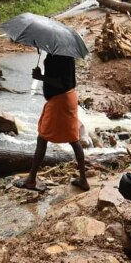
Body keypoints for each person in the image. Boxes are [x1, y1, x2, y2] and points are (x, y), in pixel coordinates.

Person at [15, 54, 89, 192]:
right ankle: (83, 179)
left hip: (60, 101)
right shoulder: (65, 53)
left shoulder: (59, 55)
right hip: (68, 97)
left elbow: (62, 83)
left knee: (42, 138)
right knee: (73, 138)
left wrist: (40, 77)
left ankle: (31, 179)